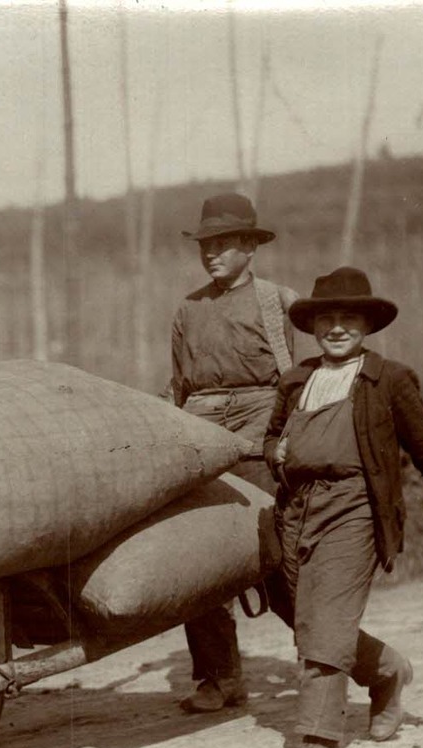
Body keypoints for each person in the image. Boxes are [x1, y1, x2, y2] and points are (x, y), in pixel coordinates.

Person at [263, 267, 423, 748]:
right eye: (327, 318)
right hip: (297, 509)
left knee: (325, 620)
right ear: (314, 325)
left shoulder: (388, 380)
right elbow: (274, 438)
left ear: (367, 325)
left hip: (355, 508)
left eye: (349, 318)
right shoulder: (297, 380)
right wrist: (273, 452)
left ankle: (318, 743)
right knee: (301, 614)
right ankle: (387, 670)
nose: (337, 328)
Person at [166, 192, 299, 713]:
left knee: (270, 541)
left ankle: (323, 657)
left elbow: (295, 378)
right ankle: (219, 677)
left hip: (261, 414)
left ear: (250, 247)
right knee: (192, 549)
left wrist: (284, 436)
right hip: (200, 422)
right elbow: (178, 388)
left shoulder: (277, 302)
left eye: (223, 244)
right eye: (206, 245)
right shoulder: (188, 308)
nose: (212, 254)